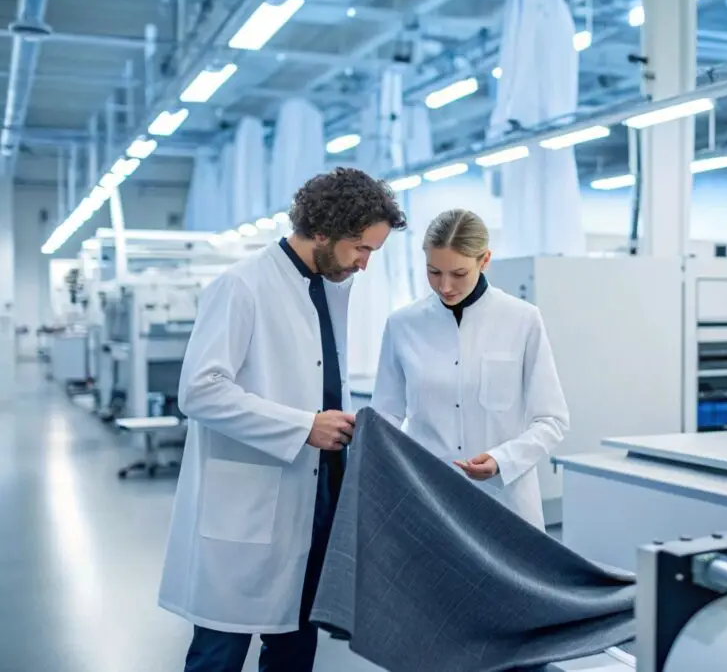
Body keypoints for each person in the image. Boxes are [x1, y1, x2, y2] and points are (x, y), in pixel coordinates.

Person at [158, 167, 406, 672]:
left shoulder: (325, 289)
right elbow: (200, 392)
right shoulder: (241, 286)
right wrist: (304, 426)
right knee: (220, 653)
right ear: (323, 231)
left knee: (294, 650)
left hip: (314, 501)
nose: (364, 264)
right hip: (247, 507)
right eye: (361, 248)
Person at [371, 209, 569, 530]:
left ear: (484, 260)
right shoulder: (402, 325)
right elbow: (385, 415)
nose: (445, 286)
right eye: (434, 272)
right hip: (429, 496)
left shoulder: (522, 320)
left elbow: (552, 420)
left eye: (459, 273)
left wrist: (503, 459)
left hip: (504, 498)